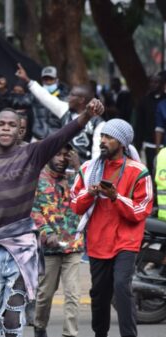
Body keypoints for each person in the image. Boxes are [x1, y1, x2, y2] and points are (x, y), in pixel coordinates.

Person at [0, 95, 104, 337]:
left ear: (21, 130)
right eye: (2, 124)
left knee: (12, 319)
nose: (6, 129)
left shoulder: (32, 154)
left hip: (22, 246)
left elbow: (62, 135)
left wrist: (86, 115)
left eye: (12, 125)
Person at [71, 119, 152, 337]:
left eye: (109, 137)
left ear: (123, 143)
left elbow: (141, 211)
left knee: (121, 289)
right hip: (98, 241)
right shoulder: (88, 169)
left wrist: (116, 197)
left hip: (126, 241)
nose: (103, 141)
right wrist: (91, 192)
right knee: (99, 295)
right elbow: (75, 205)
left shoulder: (139, 171)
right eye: (102, 136)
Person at [31, 146, 83, 337]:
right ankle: (39, 327)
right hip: (49, 248)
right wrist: (46, 234)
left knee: (73, 295)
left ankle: (70, 334)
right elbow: (34, 211)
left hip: (73, 245)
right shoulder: (38, 179)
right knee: (44, 295)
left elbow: (89, 194)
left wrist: (79, 168)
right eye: (58, 154)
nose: (62, 159)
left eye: (65, 155)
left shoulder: (75, 178)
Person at [16, 64, 105, 162]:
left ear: (81, 100)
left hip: (83, 171)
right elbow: (45, 97)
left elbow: (97, 154)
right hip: (62, 168)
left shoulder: (98, 123)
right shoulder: (65, 111)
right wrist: (27, 80)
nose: (68, 97)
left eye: (72, 95)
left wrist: (82, 170)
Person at [135, 74, 166, 175]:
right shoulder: (144, 101)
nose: (153, 84)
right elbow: (139, 124)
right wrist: (138, 145)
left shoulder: (164, 102)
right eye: (151, 82)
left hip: (164, 143)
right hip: (148, 143)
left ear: (161, 84)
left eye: (156, 82)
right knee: (151, 169)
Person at [28, 66, 69, 140]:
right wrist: (4, 92)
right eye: (45, 79)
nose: (48, 82)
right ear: (42, 80)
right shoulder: (34, 95)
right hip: (37, 137)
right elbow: (19, 101)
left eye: (51, 79)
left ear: (57, 80)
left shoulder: (66, 98)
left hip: (56, 138)